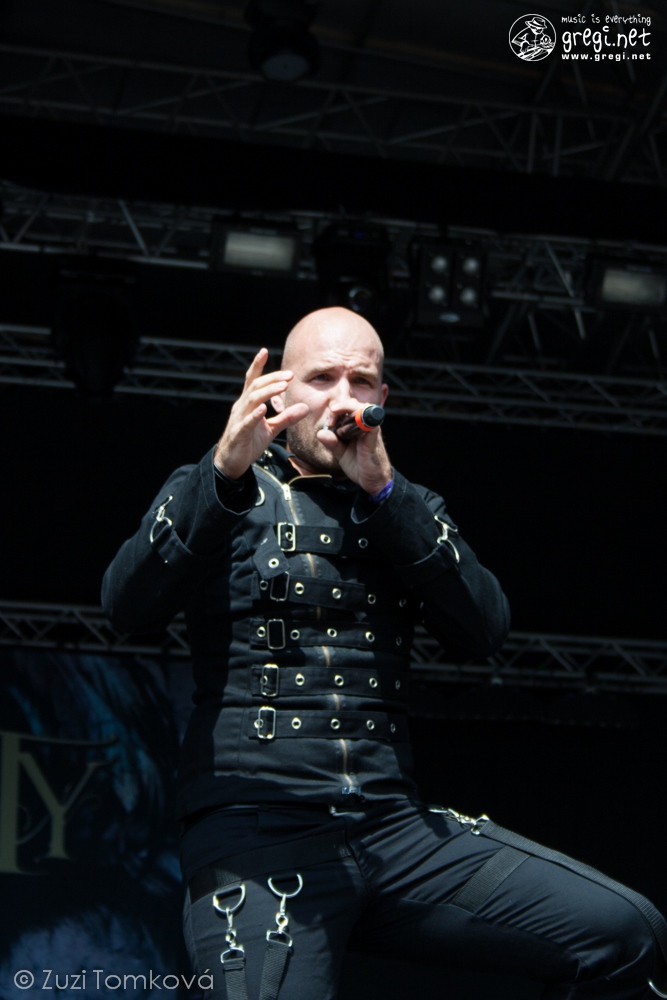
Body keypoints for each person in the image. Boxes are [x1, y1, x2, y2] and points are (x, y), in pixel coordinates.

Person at [102, 307, 667, 1000]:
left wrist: (386, 494)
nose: (343, 398)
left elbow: (485, 629)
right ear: (277, 392)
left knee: (625, 931)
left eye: (361, 381)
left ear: (382, 398)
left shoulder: (406, 503)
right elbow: (125, 605)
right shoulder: (219, 489)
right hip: (258, 836)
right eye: (321, 378)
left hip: (394, 832)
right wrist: (221, 469)